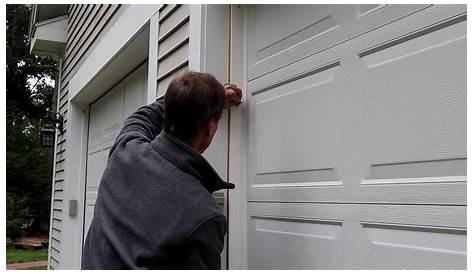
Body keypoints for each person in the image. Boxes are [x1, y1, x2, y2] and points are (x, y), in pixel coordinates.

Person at [81, 71, 242, 269]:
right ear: (209, 128)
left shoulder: (126, 150)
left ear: (170, 112)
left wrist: (195, 101)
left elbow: (142, 116)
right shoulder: (204, 217)